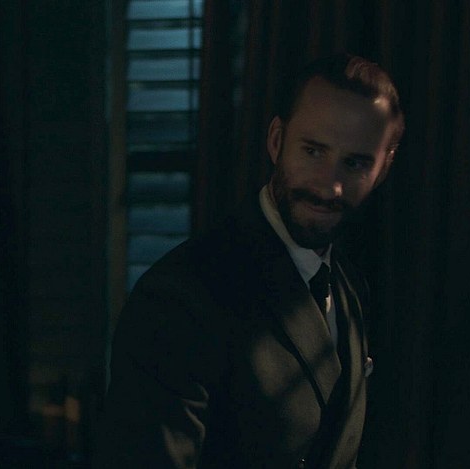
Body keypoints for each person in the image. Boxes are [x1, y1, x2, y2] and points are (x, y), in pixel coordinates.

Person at [94, 53, 405, 468]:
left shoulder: (348, 287)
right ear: (276, 141)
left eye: (355, 163)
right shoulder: (180, 295)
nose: (329, 186)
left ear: (383, 169)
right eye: (313, 151)